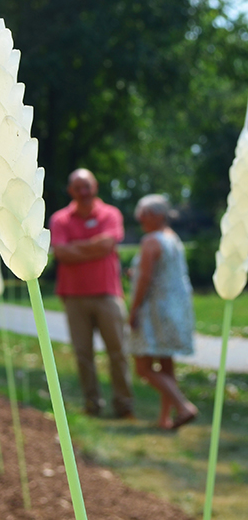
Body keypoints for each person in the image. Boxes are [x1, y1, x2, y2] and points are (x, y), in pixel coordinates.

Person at [49, 169, 133, 418]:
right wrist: (94, 247)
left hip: (108, 294)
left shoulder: (110, 213)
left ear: (95, 186)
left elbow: (108, 244)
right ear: (70, 190)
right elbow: (61, 253)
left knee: (117, 352)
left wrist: (77, 248)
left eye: (87, 186)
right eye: (78, 187)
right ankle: (92, 404)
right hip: (74, 295)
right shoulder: (60, 219)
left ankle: (124, 404)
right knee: (83, 354)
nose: (83, 192)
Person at [129, 194, 198, 430]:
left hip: (155, 308)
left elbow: (146, 279)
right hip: (177, 308)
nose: (140, 219)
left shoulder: (151, 240)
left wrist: (134, 309)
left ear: (158, 215)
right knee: (166, 362)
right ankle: (165, 418)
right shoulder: (173, 238)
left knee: (143, 367)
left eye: (144, 214)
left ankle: (184, 406)